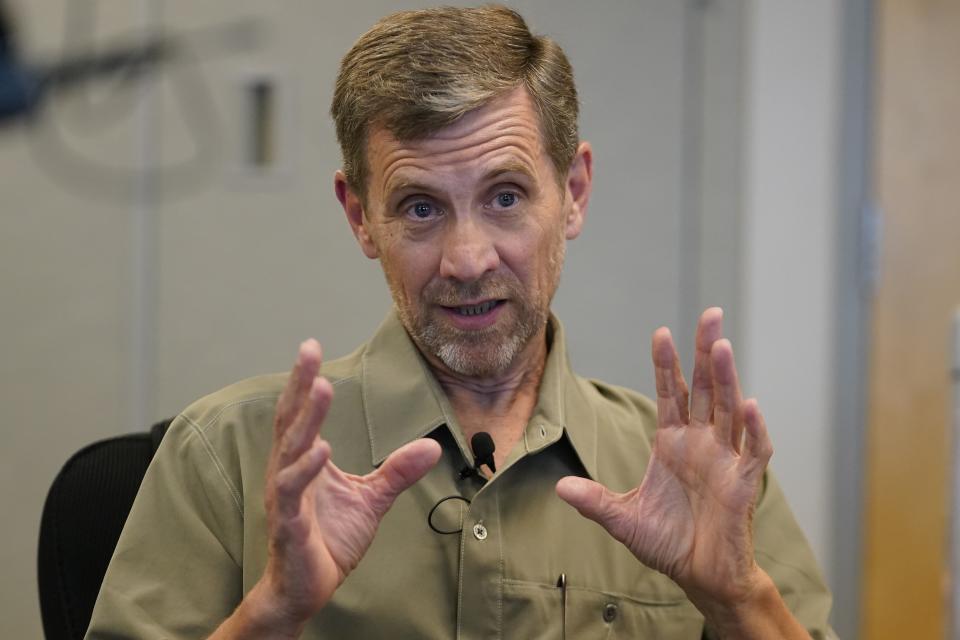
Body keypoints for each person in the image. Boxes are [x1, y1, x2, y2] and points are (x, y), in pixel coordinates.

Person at [86, 6, 835, 639]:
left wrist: (740, 603)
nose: (467, 259)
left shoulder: (695, 476)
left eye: (505, 196)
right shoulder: (227, 458)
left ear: (572, 193)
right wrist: (273, 613)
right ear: (361, 218)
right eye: (421, 207)